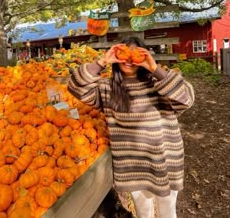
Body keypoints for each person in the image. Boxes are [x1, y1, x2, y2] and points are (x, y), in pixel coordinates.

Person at [68, 37, 195, 218]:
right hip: (133, 166)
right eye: (123, 54)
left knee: (168, 212)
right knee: (144, 214)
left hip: (165, 161)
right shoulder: (107, 89)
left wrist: (154, 68)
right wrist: (101, 61)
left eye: (135, 54)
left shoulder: (161, 83)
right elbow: (75, 87)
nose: (128, 59)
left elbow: (187, 99)